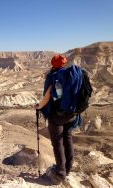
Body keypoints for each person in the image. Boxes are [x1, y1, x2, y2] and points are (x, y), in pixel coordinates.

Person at [34, 54, 82, 184]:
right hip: (72, 115)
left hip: (57, 117)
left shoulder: (54, 77)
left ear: (53, 65)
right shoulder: (73, 74)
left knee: (58, 144)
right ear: (64, 63)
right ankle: (68, 168)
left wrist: (39, 107)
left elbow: (47, 97)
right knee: (68, 140)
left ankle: (60, 173)